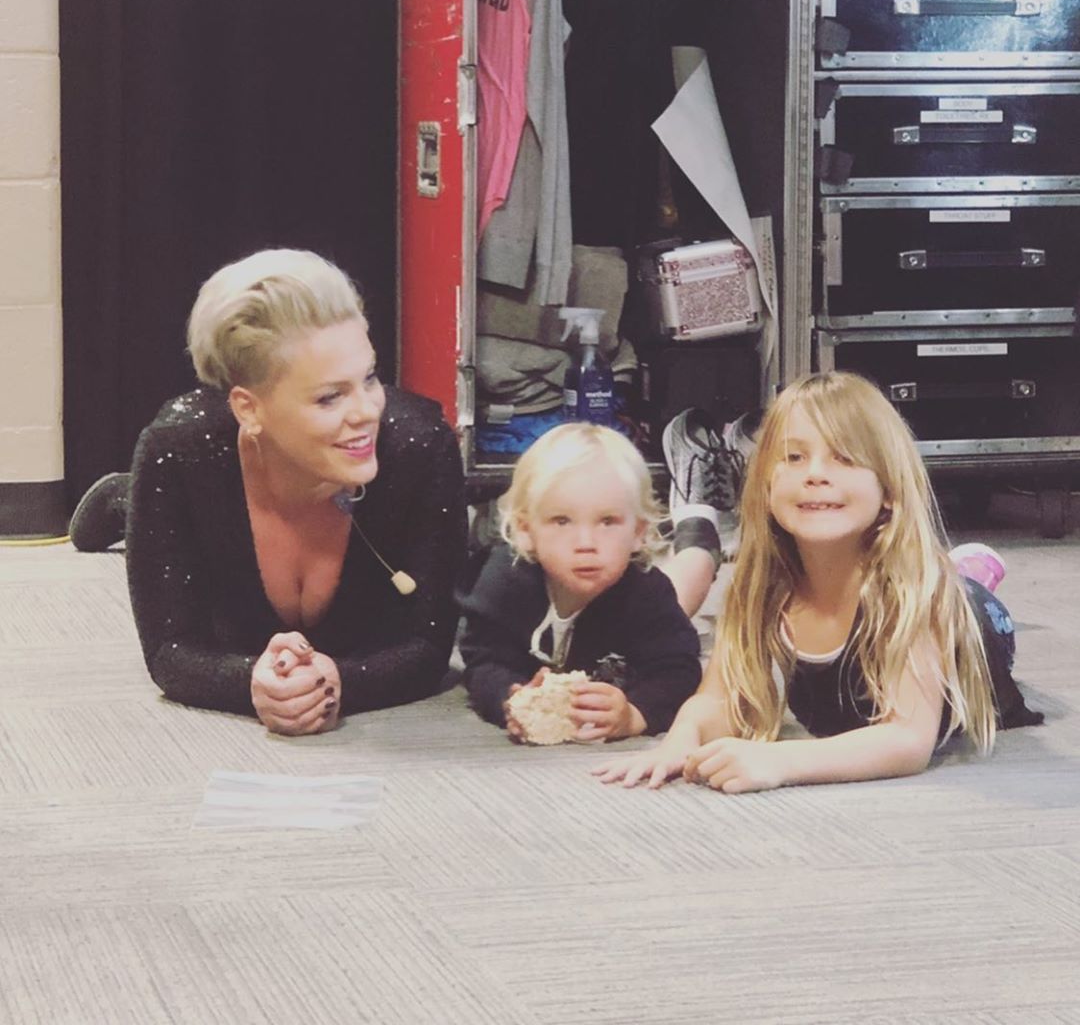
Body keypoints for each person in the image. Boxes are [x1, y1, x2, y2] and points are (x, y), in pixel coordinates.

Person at [594, 371, 1043, 792]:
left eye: (844, 457)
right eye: (793, 457)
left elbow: (907, 740)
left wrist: (780, 761)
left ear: (889, 490)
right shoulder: (763, 586)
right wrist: (681, 740)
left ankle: (970, 571)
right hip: (887, 622)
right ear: (765, 484)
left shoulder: (915, 592)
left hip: (974, 627)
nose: (815, 474)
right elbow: (717, 699)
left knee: (962, 597)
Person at [88, 248, 466, 734]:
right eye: (330, 397)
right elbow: (170, 651)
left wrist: (339, 682)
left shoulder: (421, 445)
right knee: (143, 504)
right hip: (209, 471)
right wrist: (250, 683)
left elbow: (428, 647)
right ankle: (121, 499)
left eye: (369, 378)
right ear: (249, 409)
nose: (367, 411)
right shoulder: (178, 450)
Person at [458, 422, 724, 743]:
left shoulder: (647, 593)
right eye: (562, 521)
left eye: (607, 521)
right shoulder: (504, 581)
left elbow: (677, 669)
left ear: (638, 532)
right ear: (526, 531)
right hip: (607, 607)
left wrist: (636, 713)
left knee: (687, 579)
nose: (586, 543)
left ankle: (700, 536)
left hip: (639, 595)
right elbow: (484, 661)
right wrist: (509, 696)